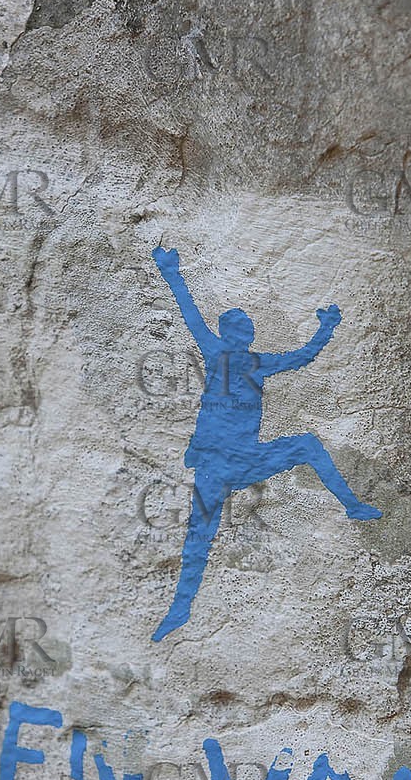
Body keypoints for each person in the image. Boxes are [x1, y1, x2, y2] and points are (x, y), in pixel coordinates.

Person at [150, 245, 381, 641]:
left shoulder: (256, 362)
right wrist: (171, 271)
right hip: (216, 463)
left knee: (307, 445)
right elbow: (190, 313)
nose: (245, 334)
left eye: (247, 330)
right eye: (239, 329)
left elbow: (303, 357)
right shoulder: (217, 353)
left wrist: (326, 327)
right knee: (199, 535)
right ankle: (180, 609)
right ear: (229, 333)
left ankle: (354, 506)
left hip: (243, 459)